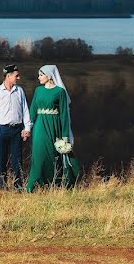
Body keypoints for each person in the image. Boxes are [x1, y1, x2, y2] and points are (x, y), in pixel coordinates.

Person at [25, 64, 81, 192]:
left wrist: (65, 136)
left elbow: (64, 116)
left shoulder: (59, 92)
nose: (38, 77)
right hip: (40, 126)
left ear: (49, 76)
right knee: (38, 155)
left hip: (54, 126)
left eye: (41, 74)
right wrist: (28, 127)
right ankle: (32, 186)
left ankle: (51, 184)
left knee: (52, 156)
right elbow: (33, 110)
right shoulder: (38, 90)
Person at [0, 64, 31, 189]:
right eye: (16, 76)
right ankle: (2, 186)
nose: (18, 78)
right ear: (8, 76)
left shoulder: (20, 91)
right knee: (1, 159)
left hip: (17, 130)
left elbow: (25, 110)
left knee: (17, 160)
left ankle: (18, 186)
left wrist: (27, 128)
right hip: (2, 130)